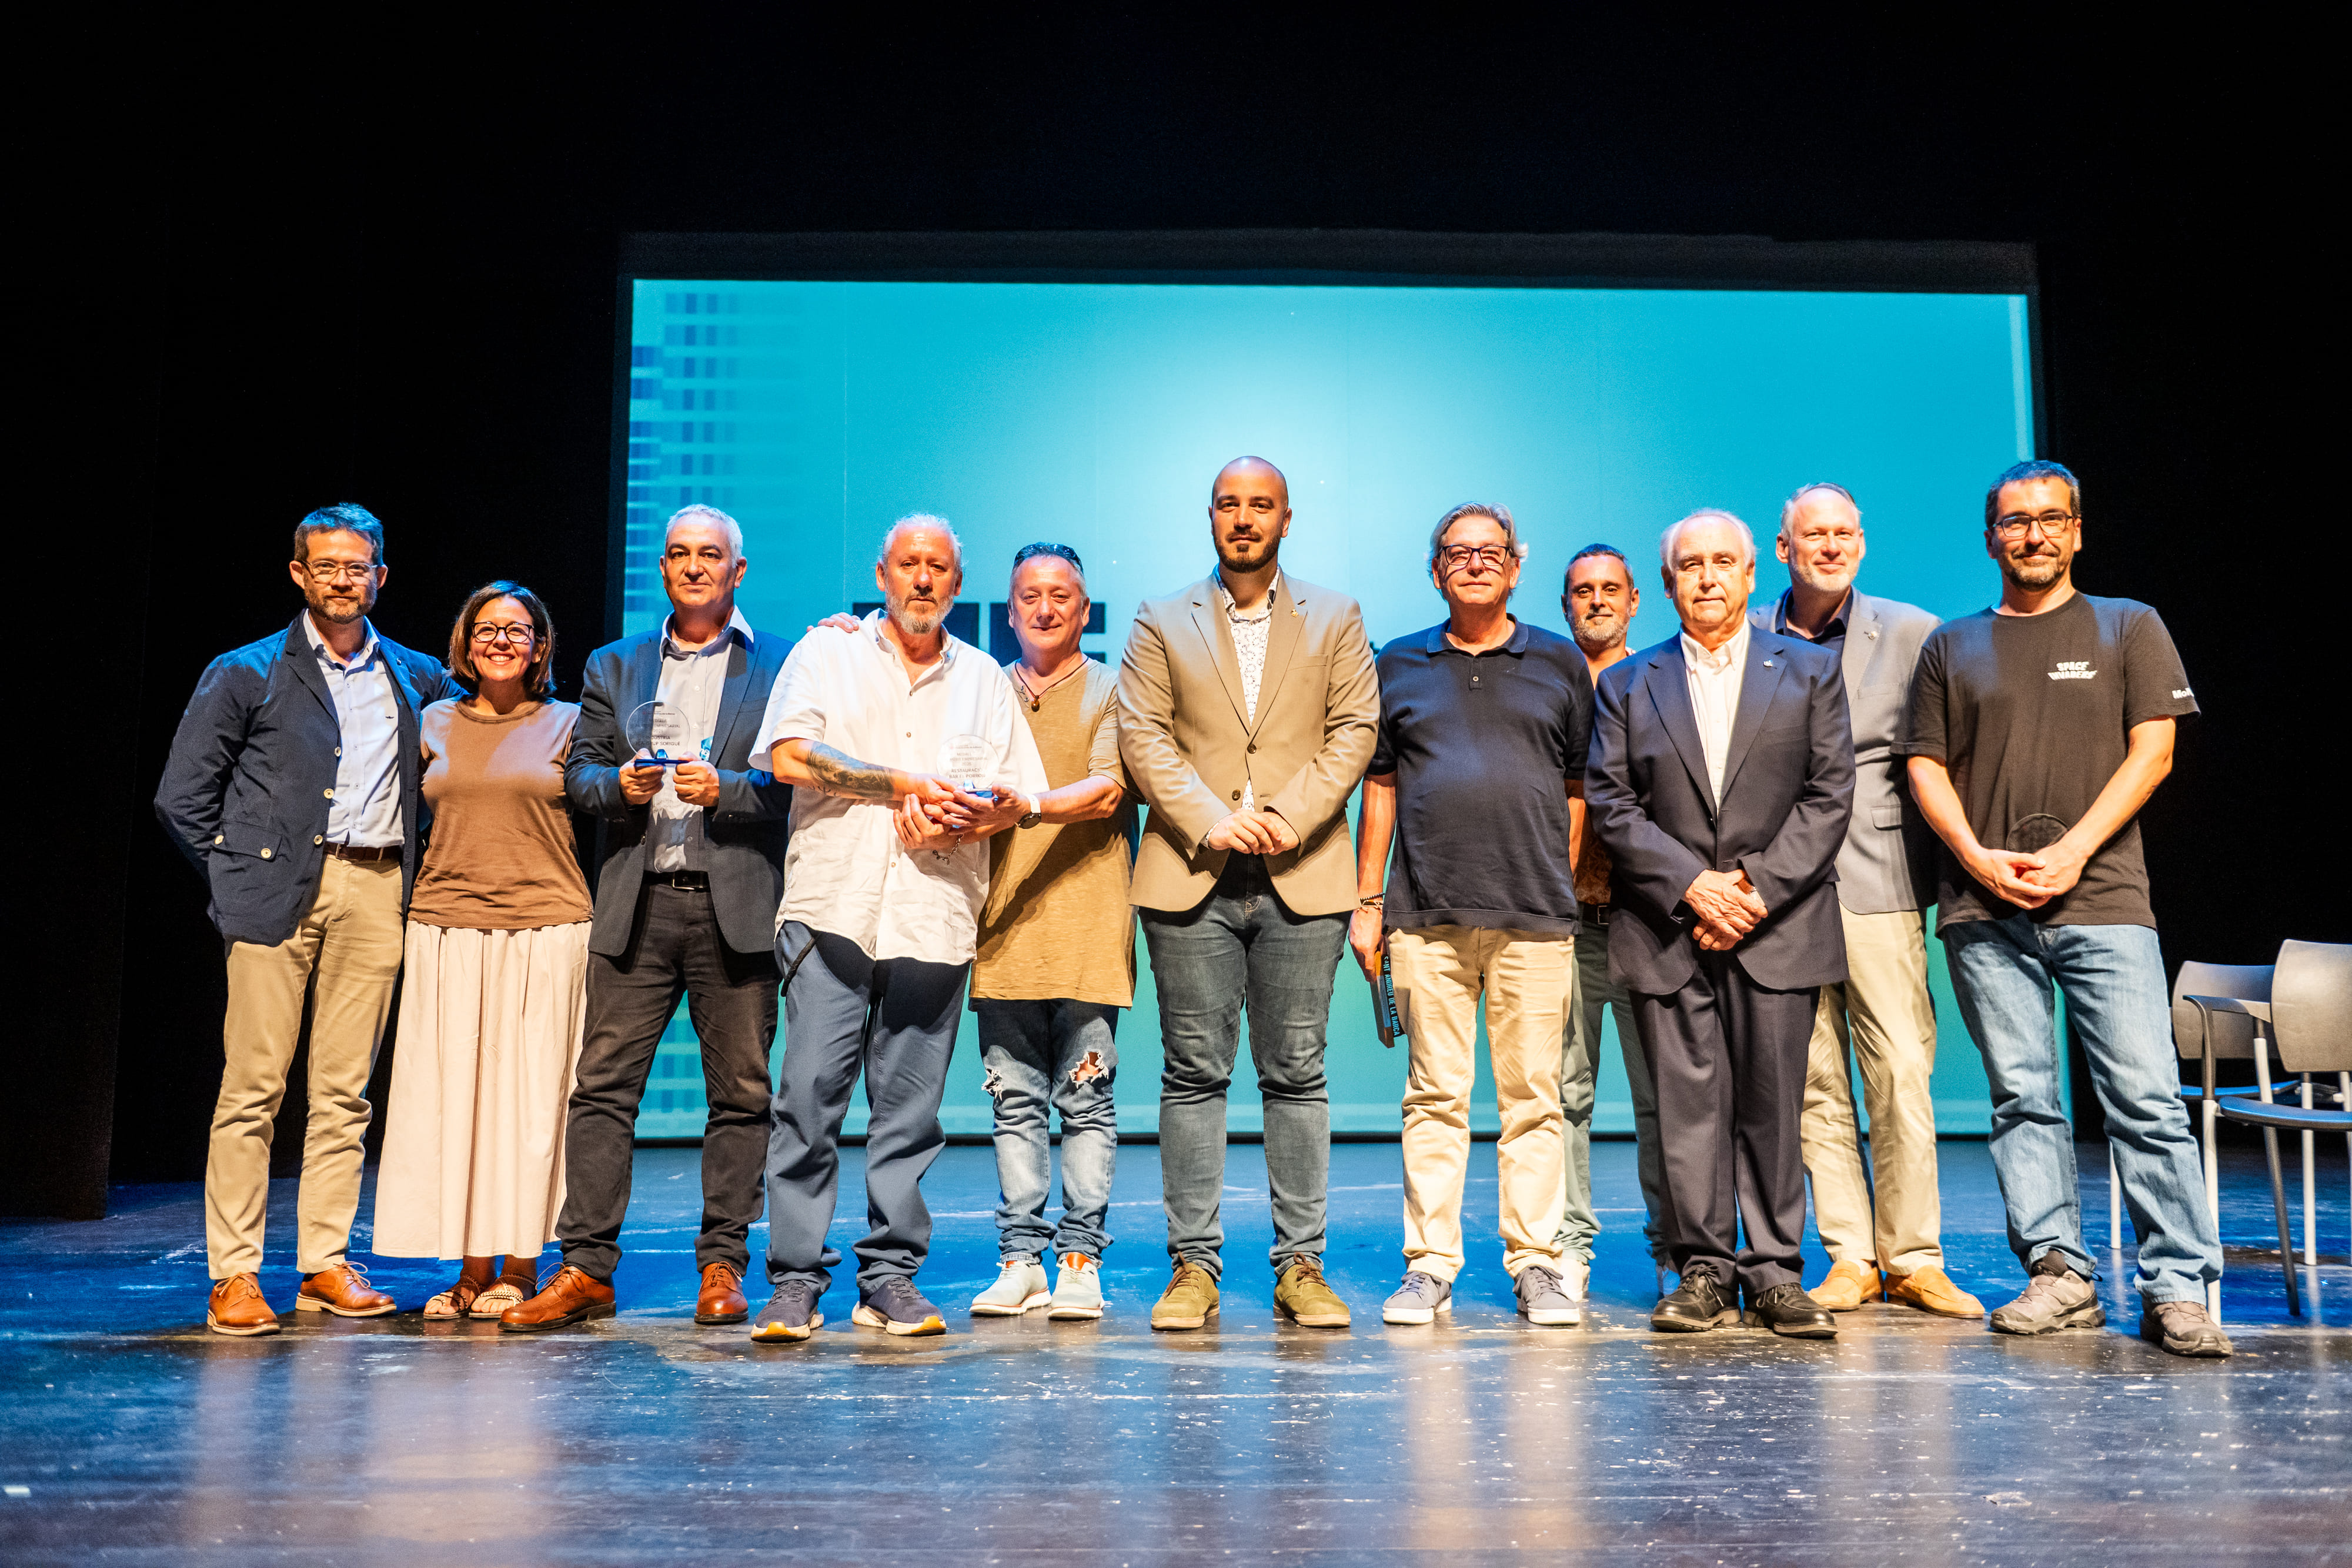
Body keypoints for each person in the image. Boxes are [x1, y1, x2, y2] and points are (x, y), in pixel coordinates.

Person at [1899, 459, 2229, 1358]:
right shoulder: (1951, 645)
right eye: (2015, 522)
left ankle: (2179, 1286)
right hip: (1982, 906)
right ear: (1991, 537)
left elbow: (2153, 751)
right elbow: (1924, 763)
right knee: (2022, 1097)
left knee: (2145, 1098)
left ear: (2077, 530)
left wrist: (2073, 849)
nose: (2033, 534)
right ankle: (2060, 1273)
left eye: (2050, 519)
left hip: (2105, 899)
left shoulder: (2129, 625)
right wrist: (1974, 857)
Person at [156, 503, 459, 1335]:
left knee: (344, 1091)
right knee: (253, 1087)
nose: (341, 578)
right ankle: (236, 1272)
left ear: (381, 576)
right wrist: (236, 879)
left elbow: (495, 716)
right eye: (325, 565)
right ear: (298, 572)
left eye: (356, 565)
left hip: (376, 886)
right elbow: (182, 797)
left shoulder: (416, 675)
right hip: (275, 891)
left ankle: (324, 1258)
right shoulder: (246, 670)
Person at [746, 514, 1048, 1343]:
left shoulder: (984, 676)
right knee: (807, 1098)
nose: (923, 578)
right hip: (834, 907)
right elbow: (790, 757)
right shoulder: (827, 654)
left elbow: (1019, 795)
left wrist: (963, 824)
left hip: (934, 911)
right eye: (909, 564)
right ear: (883, 573)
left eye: (939, 567)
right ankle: (796, 1279)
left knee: (908, 1115)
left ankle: (889, 1277)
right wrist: (906, 785)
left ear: (956, 584)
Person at [500, 506, 794, 1334]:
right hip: (639, 903)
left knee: (740, 1093)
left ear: (738, 570)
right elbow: (580, 774)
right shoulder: (615, 662)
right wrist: (617, 787)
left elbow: (797, 780)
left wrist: (729, 790)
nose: (695, 566)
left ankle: (722, 1265)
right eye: (679, 554)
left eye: (712, 555)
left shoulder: (778, 662)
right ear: (661, 568)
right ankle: (586, 1267)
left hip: (735, 903)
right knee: (601, 1090)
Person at [1119, 456, 1380, 1332]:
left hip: (1302, 871)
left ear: (1285, 518)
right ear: (1211, 516)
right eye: (1230, 504)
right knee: (1194, 1074)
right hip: (1192, 870)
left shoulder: (1337, 615)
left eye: (1259, 505)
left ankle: (1300, 1265)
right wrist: (1208, 819)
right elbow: (1143, 733)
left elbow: (1354, 731)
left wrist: (1284, 816)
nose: (1244, 518)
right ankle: (1193, 1267)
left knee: (1296, 1073)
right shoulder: (1161, 617)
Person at [1586, 509, 1854, 1338]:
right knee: (1688, 1108)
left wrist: (1751, 890)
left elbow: (1828, 793)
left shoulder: (1808, 669)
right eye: (1690, 565)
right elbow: (1611, 800)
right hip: (1670, 926)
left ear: (1749, 574)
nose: (1707, 576)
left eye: (1723, 562)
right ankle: (1702, 1267)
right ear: (1666, 584)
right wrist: (1694, 887)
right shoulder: (1629, 684)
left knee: (1773, 1105)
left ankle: (1775, 1270)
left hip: (1776, 926)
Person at [1352, 504, 1589, 1329]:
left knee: (1534, 1097)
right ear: (1435, 569)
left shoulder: (1559, 662)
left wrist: (1552, 879)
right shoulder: (1400, 662)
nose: (1476, 564)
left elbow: (1576, 790)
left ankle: (1535, 1262)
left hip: (1534, 916)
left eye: (1492, 552)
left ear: (1517, 566)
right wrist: (1369, 902)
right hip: (1426, 914)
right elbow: (1378, 785)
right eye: (1458, 552)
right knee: (1435, 1096)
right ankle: (1430, 1265)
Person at [1753, 484, 1984, 1320]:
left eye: (1845, 532)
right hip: (1780, 885)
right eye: (1814, 533)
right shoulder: (1749, 635)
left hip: (1877, 874)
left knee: (1899, 1072)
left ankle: (1915, 1255)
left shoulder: (1914, 629)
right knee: (1813, 1079)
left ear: (1862, 542)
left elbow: (1943, 753)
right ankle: (1850, 1253)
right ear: (1784, 547)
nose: (1831, 544)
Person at [371, 581, 594, 1318]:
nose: (501, 640)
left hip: (547, 929)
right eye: (487, 629)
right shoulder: (432, 720)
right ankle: (469, 1269)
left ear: (540, 648)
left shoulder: (570, 723)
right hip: (446, 925)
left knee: (531, 1107)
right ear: (464, 645)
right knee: (459, 1106)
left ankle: (524, 1268)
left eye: (518, 630)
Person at [964, 543, 1137, 1322]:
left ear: (1082, 607)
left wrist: (1027, 803)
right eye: (1029, 595)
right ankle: (1020, 1258)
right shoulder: (980, 691)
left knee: (1088, 1101)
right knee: (1013, 1104)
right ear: (1009, 610)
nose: (1044, 606)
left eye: (1060, 594)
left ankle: (1079, 1259)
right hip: (1000, 929)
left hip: (1089, 926)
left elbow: (1108, 790)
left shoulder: (1111, 688)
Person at [1559, 541, 1672, 1294]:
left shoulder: (1666, 681)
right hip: (1560, 924)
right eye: (1580, 591)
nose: (1596, 600)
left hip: (1648, 921)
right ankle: (1567, 1247)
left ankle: (1675, 1249)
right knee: (1560, 1095)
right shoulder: (1544, 684)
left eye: (1610, 589)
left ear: (1635, 601)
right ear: (1564, 605)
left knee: (1665, 1097)